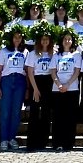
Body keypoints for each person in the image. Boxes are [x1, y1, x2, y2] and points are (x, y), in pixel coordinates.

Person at [0, 24, 28, 151]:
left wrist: (27, 89)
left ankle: (12, 137)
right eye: (15, 37)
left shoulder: (25, 52)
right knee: (5, 111)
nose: (17, 40)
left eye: (19, 37)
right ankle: (3, 139)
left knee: (16, 111)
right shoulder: (4, 51)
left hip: (20, 81)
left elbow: (27, 70)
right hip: (6, 80)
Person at [49, 28, 82, 151]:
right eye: (65, 39)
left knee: (70, 117)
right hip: (57, 90)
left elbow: (77, 71)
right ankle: (57, 143)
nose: (67, 41)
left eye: (69, 39)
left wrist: (67, 84)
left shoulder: (76, 55)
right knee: (58, 117)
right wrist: (59, 84)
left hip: (72, 89)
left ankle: (68, 143)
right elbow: (53, 71)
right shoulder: (56, 55)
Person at [25, 23, 55, 151]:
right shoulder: (33, 54)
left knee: (46, 112)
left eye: (47, 39)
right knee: (34, 112)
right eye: (42, 39)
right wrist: (35, 89)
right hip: (36, 82)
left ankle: (43, 140)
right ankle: (32, 142)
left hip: (49, 81)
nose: (45, 41)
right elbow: (30, 72)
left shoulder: (54, 53)